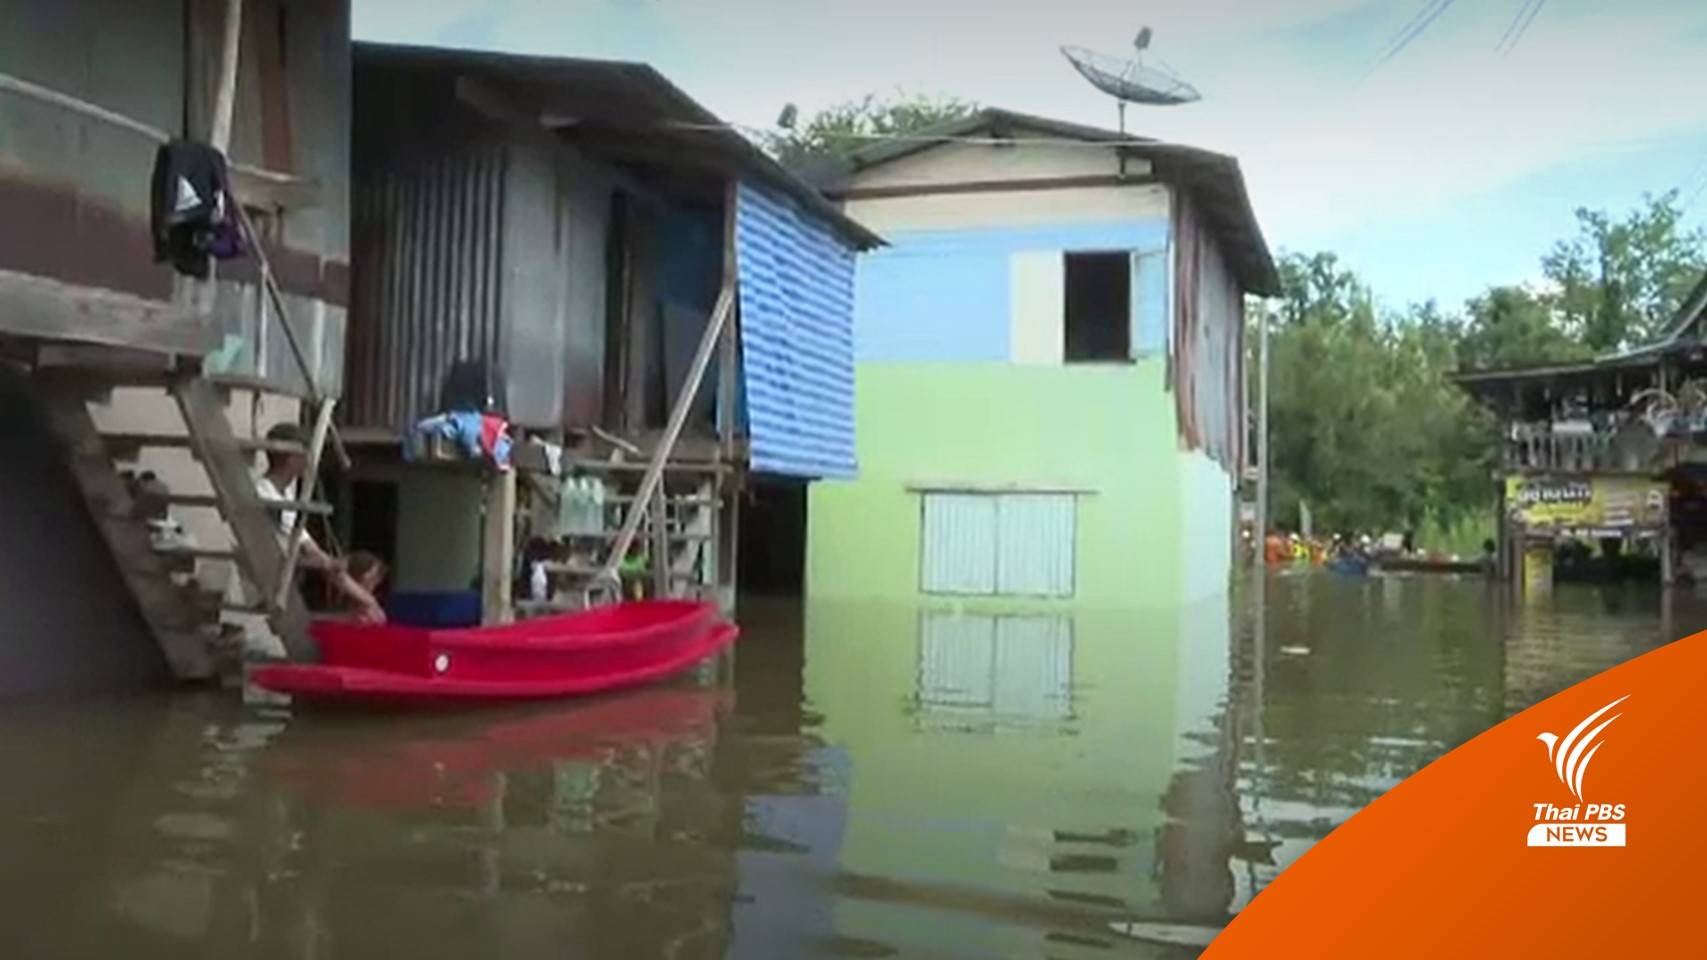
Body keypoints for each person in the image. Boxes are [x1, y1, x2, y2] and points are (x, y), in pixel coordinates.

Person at [258, 422, 385, 623]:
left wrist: (367, 600)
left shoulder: (288, 495)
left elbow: (313, 550)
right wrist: (368, 600)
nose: (310, 460)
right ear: (291, 459)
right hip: (265, 582)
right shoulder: (265, 495)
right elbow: (304, 553)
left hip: (285, 581)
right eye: (305, 454)